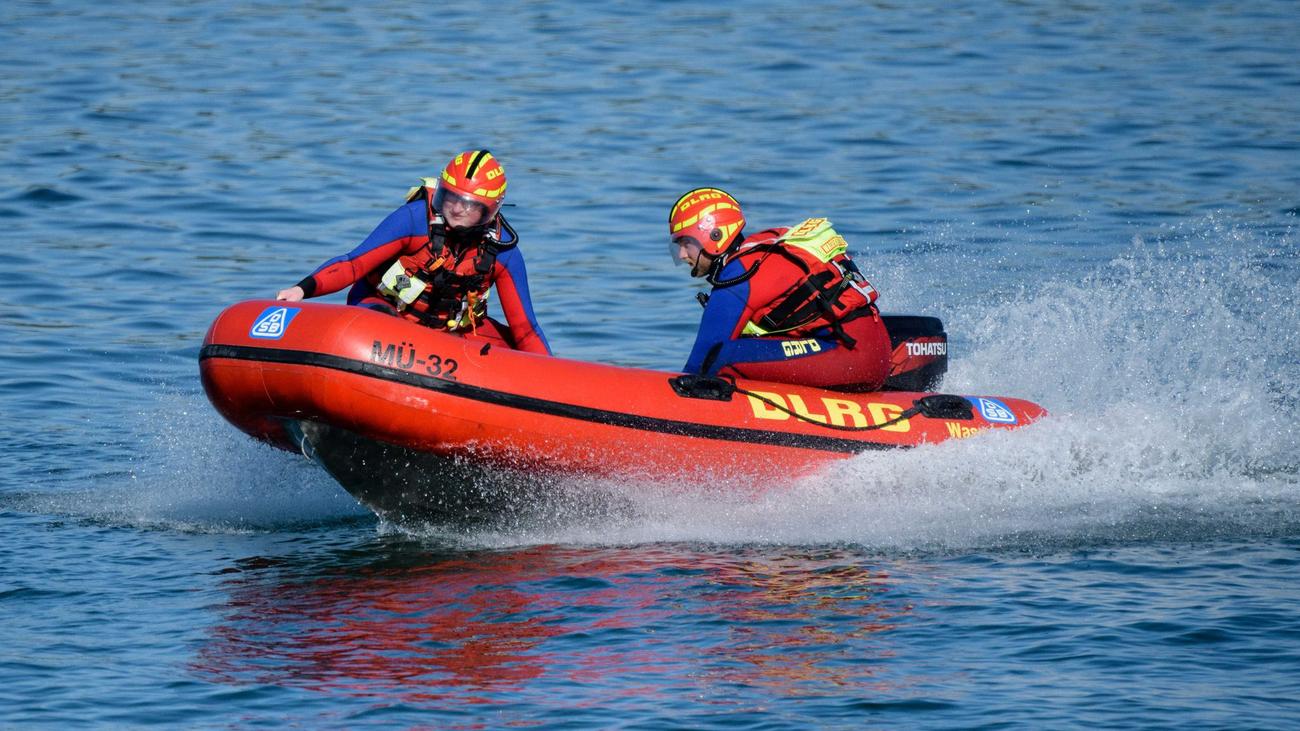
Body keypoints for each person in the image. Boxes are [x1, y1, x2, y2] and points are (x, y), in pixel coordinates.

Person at [276, 150, 551, 355]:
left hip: (450, 333)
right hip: (383, 310)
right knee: (380, 326)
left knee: (516, 349)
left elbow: (526, 328)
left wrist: (553, 378)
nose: (456, 209)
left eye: (468, 205)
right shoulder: (414, 219)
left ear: (489, 211)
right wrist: (301, 290)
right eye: (451, 197)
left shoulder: (503, 252)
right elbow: (352, 265)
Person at [669, 187, 891, 392]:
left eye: (685, 243)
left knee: (721, 356)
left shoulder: (738, 274)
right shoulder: (762, 248)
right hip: (870, 352)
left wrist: (670, 398)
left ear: (713, 236)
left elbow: (702, 359)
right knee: (741, 349)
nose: (681, 255)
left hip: (851, 357)